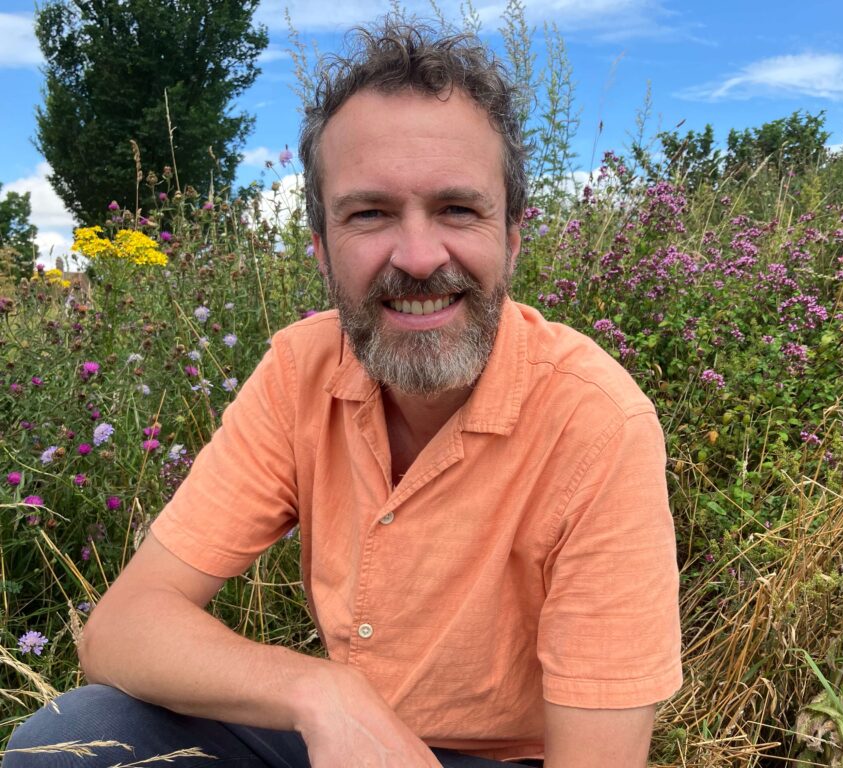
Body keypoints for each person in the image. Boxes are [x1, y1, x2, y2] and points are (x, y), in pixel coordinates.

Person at [3, 19, 681, 768]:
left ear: (514, 236)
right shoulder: (300, 370)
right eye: (370, 214)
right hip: (327, 737)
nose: (419, 257)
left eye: (458, 209)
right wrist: (322, 694)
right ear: (322, 248)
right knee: (70, 738)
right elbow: (123, 627)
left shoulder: (597, 423)